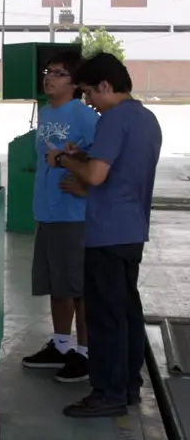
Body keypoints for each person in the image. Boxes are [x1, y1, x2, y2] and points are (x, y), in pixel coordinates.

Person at [47, 52, 162, 418]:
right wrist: (83, 155)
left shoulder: (113, 119)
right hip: (132, 230)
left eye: (89, 93)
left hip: (107, 232)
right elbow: (118, 169)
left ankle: (108, 393)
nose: (90, 104)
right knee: (126, 313)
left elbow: (96, 176)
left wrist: (64, 160)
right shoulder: (147, 118)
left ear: (106, 86)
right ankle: (127, 385)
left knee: (106, 318)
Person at [21, 52, 99, 384]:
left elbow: (103, 160)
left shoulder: (84, 115)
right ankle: (61, 344)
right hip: (48, 212)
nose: (50, 77)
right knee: (57, 285)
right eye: (48, 72)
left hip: (74, 215)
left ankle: (85, 353)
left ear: (76, 83)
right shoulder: (46, 112)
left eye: (60, 73)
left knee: (79, 287)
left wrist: (85, 186)